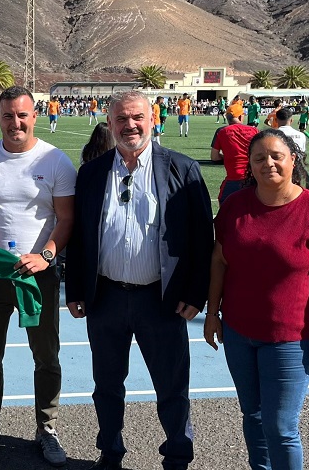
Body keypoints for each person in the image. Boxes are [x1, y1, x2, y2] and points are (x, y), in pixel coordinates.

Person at [64, 91, 213, 470]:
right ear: (109, 124)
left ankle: (177, 456)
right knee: (107, 386)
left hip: (161, 300)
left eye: (137, 118)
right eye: (121, 119)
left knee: (172, 387)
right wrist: (76, 288)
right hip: (106, 298)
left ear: (152, 120)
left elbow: (202, 238)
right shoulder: (92, 173)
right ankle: (110, 452)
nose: (130, 125)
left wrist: (196, 293)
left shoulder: (182, 169)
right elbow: (80, 236)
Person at [204, 129, 309, 470]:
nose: (268, 163)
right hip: (239, 334)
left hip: (290, 338)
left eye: (276, 156)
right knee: (253, 416)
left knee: (281, 427)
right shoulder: (235, 206)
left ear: (293, 160)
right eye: (259, 158)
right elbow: (219, 260)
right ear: (250, 166)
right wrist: (213, 314)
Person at [0, 85, 76, 467]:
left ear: (35, 116)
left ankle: (47, 429)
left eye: (22, 115)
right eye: (8, 115)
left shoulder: (55, 161)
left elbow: (66, 218)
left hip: (38, 276)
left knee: (46, 357)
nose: (15, 122)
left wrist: (46, 256)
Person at [211, 112, 258, 204]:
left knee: (226, 209)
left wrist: (228, 157)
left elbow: (214, 157)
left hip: (233, 179)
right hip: (253, 179)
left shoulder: (222, 131)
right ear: (240, 116)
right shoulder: (254, 130)